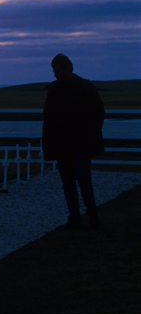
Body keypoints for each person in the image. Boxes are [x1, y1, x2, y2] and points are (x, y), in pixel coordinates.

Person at [42, 53, 105, 229]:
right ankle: (84, 215)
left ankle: (84, 215)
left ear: (66, 69)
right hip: (70, 144)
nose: (55, 74)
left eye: (57, 71)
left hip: (75, 144)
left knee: (78, 181)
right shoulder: (83, 87)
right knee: (75, 181)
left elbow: (49, 120)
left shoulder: (62, 90)